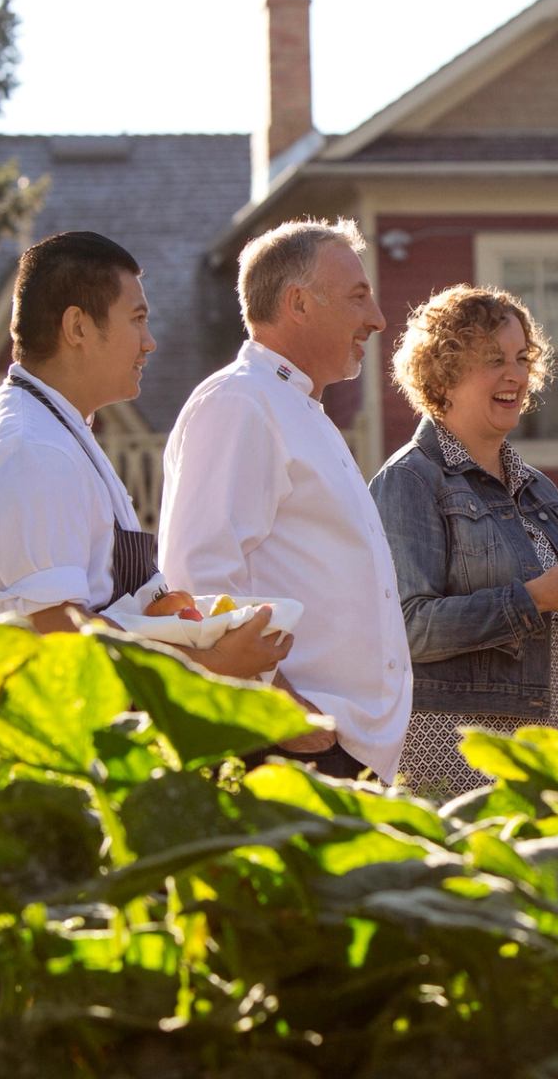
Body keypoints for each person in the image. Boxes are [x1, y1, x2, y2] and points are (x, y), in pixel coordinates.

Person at [0, 231, 288, 678]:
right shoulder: (32, 451)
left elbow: (96, 613)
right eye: (137, 319)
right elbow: (54, 640)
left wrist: (167, 613)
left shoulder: (58, 431)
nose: (150, 342)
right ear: (78, 327)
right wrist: (209, 665)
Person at [158, 218, 413, 781]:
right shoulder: (240, 402)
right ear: (298, 303)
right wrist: (280, 710)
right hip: (292, 748)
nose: (376, 319)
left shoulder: (296, 408)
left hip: (335, 747)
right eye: (358, 297)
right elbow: (199, 577)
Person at [369, 285, 558, 797]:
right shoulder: (410, 480)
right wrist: (537, 598)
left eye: (521, 358)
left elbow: (555, 621)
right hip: (452, 752)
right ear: (442, 375)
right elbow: (406, 629)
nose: (514, 375)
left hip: (541, 743)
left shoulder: (537, 487)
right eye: (493, 359)